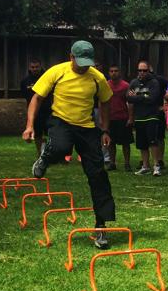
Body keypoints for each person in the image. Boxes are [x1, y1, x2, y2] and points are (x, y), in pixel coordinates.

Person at [23, 40, 116, 249]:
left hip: (86, 127)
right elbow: (37, 98)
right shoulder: (57, 72)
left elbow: (105, 102)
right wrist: (30, 126)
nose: (83, 67)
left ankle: (101, 226)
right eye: (80, 62)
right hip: (61, 121)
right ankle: (45, 157)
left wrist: (105, 129)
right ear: (71, 57)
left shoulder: (97, 77)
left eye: (87, 63)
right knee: (61, 148)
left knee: (98, 175)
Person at [127, 60, 165, 176]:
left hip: (151, 116)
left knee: (153, 142)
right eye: (140, 70)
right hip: (139, 117)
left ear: (149, 71)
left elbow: (152, 98)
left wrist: (137, 95)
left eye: (144, 70)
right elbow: (128, 97)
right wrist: (144, 96)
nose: (142, 72)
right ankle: (145, 166)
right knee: (142, 144)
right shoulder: (134, 82)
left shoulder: (154, 82)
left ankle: (156, 166)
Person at [19, 59, 51, 157]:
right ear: (29, 68)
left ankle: (54, 153)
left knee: (52, 133)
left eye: (37, 67)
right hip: (35, 112)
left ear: (40, 66)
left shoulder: (47, 78)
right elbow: (25, 96)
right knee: (37, 134)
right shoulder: (25, 81)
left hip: (49, 110)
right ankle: (40, 153)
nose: (35, 69)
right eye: (32, 67)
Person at [105, 64, 132, 172]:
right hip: (110, 117)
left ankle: (127, 163)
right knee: (111, 142)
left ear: (119, 72)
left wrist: (130, 117)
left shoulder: (125, 85)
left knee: (126, 142)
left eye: (116, 71)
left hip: (123, 117)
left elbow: (130, 102)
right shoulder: (106, 85)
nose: (114, 73)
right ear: (109, 73)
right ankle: (112, 163)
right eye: (111, 71)